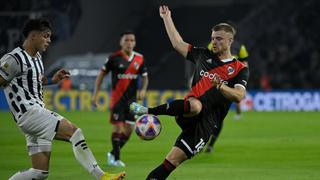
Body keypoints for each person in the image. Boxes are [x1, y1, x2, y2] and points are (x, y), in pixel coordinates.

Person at [130, 5, 249, 179]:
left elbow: (239, 96)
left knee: (170, 162)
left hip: (206, 125)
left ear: (230, 41)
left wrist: (221, 86)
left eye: (219, 39)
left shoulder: (239, 69)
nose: (214, 42)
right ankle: (148, 111)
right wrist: (166, 18)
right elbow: (178, 43)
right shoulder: (202, 55)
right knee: (195, 105)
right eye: (212, 38)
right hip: (189, 110)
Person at [0, 18, 125, 180]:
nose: (49, 40)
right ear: (32, 36)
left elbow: (36, 80)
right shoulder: (14, 59)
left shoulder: (37, 57)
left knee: (39, 172)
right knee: (75, 132)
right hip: (30, 114)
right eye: (46, 36)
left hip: (36, 114)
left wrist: (53, 79)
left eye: (50, 37)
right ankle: (102, 176)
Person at [91, 31, 148, 167]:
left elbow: (145, 76)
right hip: (117, 100)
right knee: (118, 128)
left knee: (129, 130)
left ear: (135, 42)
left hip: (132, 101)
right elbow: (100, 75)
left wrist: (143, 90)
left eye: (132, 40)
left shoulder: (139, 58)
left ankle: (111, 153)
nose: (129, 43)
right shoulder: (113, 58)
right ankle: (116, 159)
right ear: (121, 42)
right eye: (126, 40)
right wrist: (95, 94)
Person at [205, 42, 249, 153]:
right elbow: (206, 60)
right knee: (205, 114)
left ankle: (209, 144)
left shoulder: (240, 47)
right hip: (214, 82)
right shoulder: (214, 44)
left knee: (219, 117)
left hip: (229, 85)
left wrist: (242, 81)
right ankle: (202, 142)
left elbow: (244, 63)